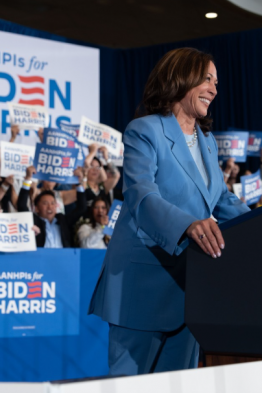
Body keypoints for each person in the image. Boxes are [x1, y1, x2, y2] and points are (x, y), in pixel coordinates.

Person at [89, 48, 250, 376]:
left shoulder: (206, 140)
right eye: (207, 79)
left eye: (216, 82)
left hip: (192, 292)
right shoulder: (144, 130)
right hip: (141, 289)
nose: (214, 89)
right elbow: (140, 194)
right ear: (181, 78)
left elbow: (221, 200)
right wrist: (188, 225)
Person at [17, 166, 87, 247]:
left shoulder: (63, 221)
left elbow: (82, 208)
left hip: (63, 258)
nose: (50, 207)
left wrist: (78, 183)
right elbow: (21, 206)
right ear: (36, 208)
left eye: (53, 203)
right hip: (40, 258)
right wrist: (28, 178)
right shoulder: (33, 221)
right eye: (45, 203)